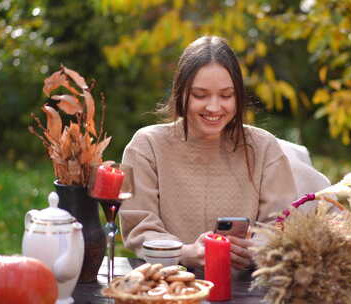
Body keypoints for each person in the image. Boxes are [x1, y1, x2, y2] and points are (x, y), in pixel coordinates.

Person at [119, 36, 300, 270]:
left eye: (226, 95)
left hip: (246, 291)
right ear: (180, 93)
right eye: (200, 95)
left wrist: (258, 249)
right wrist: (185, 252)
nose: (214, 107)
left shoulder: (263, 147)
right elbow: (139, 226)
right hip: (170, 286)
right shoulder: (147, 146)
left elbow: (282, 223)